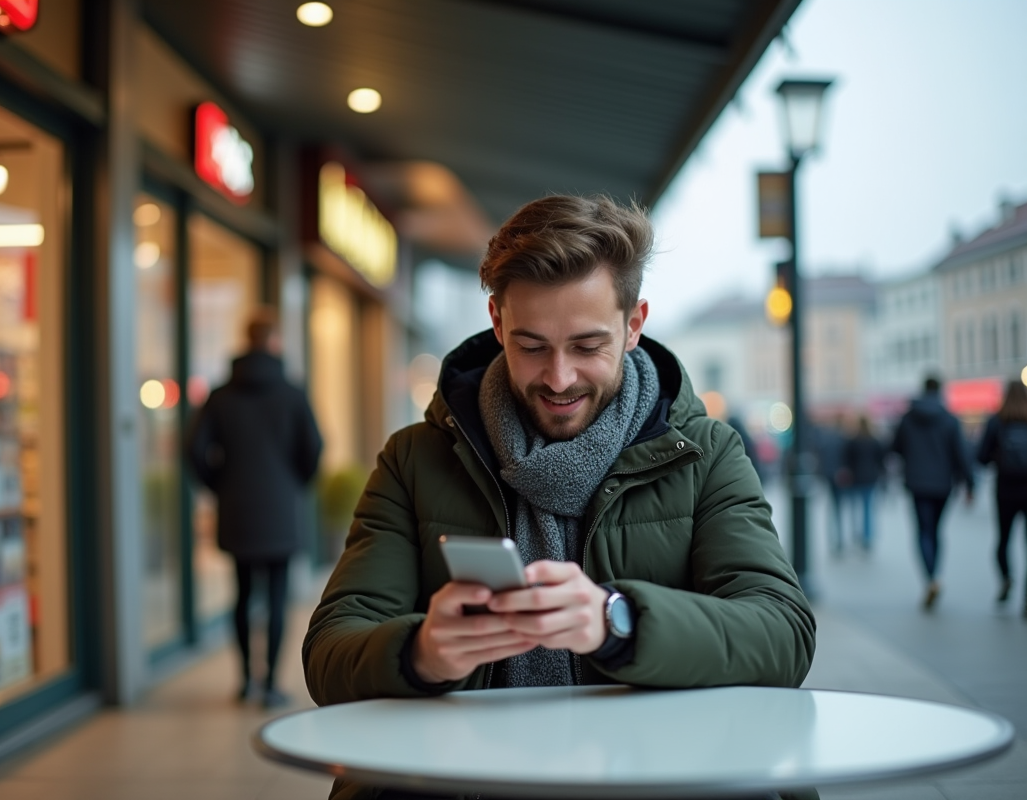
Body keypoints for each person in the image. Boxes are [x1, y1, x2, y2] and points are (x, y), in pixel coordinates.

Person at [303, 196, 816, 800]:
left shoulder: (708, 455)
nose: (559, 377)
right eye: (532, 345)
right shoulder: (414, 459)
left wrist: (616, 621)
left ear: (634, 324)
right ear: (496, 323)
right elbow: (331, 650)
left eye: (587, 346)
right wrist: (420, 652)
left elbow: (784, 634)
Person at [189, 309, 322, 708]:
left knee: (243, 594)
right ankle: (272, 685)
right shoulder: (292, 393)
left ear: (246, 340)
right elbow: (313, 449)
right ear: (275, 342)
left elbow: (194, 450)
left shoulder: (220, 395)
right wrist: (293, 485)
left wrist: (220, 486)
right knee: (278, 597)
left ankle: (246, 680)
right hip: (280, 508)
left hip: (237, 508)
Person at [890, 376, 974, 610]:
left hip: (917, 482)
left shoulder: (908, 418)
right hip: (943, 484)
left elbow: (895, 447)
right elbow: (961, 453)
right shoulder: (949, 418)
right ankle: (935, 574)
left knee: (923, 531)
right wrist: (970, 484)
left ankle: (930, 578)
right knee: (936, 531)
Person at [976, 379, 1027, 613]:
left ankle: (1006, 578)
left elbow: (982, 457)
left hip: (1005, 489)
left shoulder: (996, 421)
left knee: (1003, 539)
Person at [841, 415, 886, 551]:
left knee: (854, 508)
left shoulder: (853, 441)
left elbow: (847, 460)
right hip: (870, 478)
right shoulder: (874, 441)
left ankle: (857, 534)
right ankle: (867, 536)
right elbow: (881, 460)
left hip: (855, 478)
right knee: (868, 508)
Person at [811, 415, 849, 554]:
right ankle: (839, 539)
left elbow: (821, 458)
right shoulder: (842, 439)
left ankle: (835, 539)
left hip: (829, 475)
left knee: (833, 508)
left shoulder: (826, 440)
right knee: (839, 507)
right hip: (839, 476)